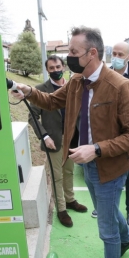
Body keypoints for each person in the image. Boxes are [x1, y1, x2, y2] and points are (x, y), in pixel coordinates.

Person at [12, 26, 129, 258]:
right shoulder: (76, 82)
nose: (68, 57)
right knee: (109, 210)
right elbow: (51, 101)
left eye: (73, 51)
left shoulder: (120, 86)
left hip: (109, 168)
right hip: (87, 165)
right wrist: (29, 90)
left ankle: (119, 243)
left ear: (92, 53)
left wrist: (96, 149)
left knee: (106, 229)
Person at [91, 41, 129, 228]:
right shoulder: (103, 76)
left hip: (128, 135)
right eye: (114, 53)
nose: (116, 57)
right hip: (107, 135)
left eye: (121, 54)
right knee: (104, 171)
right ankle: (103, 207)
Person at [28, 55, 87, 228]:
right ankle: (61, 209)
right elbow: (32, 117)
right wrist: (44, 137)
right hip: (53, 140)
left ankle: (70, 200)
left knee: (69, 172)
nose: (55, 70)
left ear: (64, 67)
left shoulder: (73, 87)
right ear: (47, 70)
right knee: (57, 176)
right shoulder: (40, 89)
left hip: (72, 138)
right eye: (51, 68)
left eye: (58, 67)